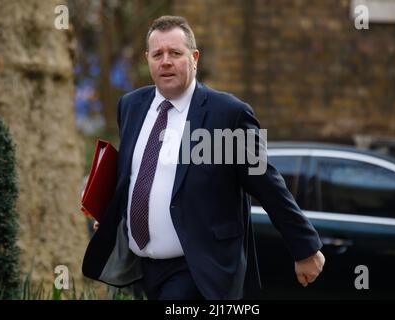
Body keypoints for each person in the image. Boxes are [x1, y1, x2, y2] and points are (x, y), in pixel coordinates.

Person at [82, 15, 325, 300]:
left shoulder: (228, 114)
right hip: (141, 269)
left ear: (194, 57)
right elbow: (134, 173)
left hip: (198, 269)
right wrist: (113, 211)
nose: (166, 61)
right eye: (157, 54)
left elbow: (267, 183)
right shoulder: (132, 105)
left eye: (175, 53)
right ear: (147, 59)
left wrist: (305, 247)